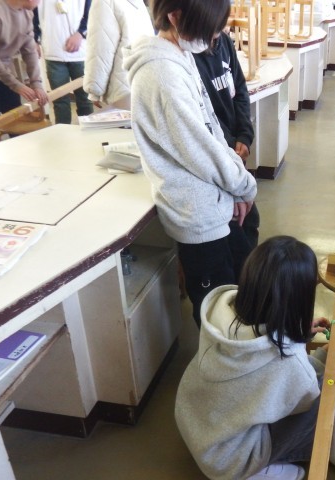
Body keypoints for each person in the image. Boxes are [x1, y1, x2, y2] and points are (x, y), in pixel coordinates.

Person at [123, 0, 257, 328]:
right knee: (218, 316)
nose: (215, 37)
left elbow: (212, 131)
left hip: (214, 200)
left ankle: (243, 352)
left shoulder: (180, 56)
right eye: (209, 29)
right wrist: (243, 185)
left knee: (239, 294)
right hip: (196, 213)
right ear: (175, 16)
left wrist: (236, 187)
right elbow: (200, 150)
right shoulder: (161, 73)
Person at [175, 235, 332, 480]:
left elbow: (261, 339)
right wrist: (326, 358)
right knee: (327, 400)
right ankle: (256, 471)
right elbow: (302, 402)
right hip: (230, 461)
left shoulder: (220, 311)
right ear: (301, 299)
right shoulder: (291, 363)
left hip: (195, 426)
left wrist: (294, 331)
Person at [194, 29, 260, 280]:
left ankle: (248, 283)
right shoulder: (187, 58)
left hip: (233, 155)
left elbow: (240, 90)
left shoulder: (223, 42)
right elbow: (204, 122)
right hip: (217, 161)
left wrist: (244, 135)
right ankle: (239, 287)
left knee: (249, 220)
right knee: (232, 232)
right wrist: (230, 151)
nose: (217, 34)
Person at [0, 0, 48, 146]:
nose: (40, 2)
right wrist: (16, 85)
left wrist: (36, 83)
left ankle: (18, 153)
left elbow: (30, 50)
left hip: (5, 67)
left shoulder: (27, 11)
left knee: (16, 116)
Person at [83, 0, 153, 110]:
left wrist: (94, 90)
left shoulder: (104, 2)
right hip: (144, 81)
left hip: (120, 88)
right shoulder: (138, 3)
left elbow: (101, 48)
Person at [33, 0, 93, 124]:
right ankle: (63, 132)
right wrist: (34, 40)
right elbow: (33, 17)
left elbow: (92, 15)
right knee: (59, 100)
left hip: (80, 54)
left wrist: (80, 34)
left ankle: (90, 130)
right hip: (53, 53)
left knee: (85, 98)